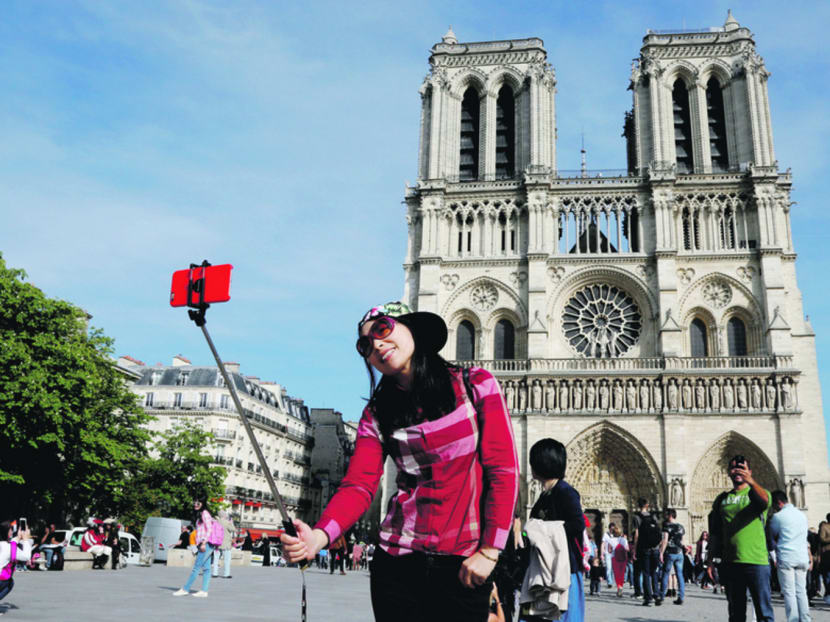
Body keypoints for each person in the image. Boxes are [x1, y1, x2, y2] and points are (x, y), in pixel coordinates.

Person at [281, 301, 519, 622]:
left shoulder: (475, 385)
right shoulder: (377, 414)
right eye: (365, 345)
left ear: (411, 329)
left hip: (463, 561)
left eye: (382, 330)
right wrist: (320, 536)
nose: (376, 345)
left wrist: (491, 551)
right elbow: (359, 485)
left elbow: (502, 470)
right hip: (396, 565)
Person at [521, 437, 585, 622]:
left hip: (563, 570)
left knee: (562, 615)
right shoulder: (545, 495)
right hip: (542, 567)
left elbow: (577, 524)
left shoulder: (566, 492)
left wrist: (539, 530)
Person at [707, 454, 774, 622]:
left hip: (756, 561)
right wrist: (709, 560)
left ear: (750, 471)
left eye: (742, 468)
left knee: (764, 612)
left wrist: (750, 481)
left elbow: (765, 502)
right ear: (728, 472)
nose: (737, 471)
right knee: (736, 613)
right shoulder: (722, 499)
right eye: (733, 468)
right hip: (731, 562)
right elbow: (715, 532)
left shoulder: (758, 494)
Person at [769, 489, 811, 622]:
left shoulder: (778, 517)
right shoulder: (802, 515)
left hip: (787, 557)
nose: (774, 509)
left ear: (779, 503)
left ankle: (793, 620)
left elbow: (772, 535)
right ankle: (805, 619)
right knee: (801, 591)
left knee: (789, 592)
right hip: (802, 557)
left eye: (774, 506)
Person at [173, 497, 216, 598]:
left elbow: (209, 529)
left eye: (198, 502)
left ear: (203, 503)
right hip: (205, 543)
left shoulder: (204, 513)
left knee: (196, 568)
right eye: (195, 502)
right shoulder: (201, 514)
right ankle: (204, 591)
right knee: (206, 569)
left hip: (206, 543)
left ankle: (185, 589)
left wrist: (204, 543)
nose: (196, 504)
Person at [632, 498, 662, 606]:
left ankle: (648, 598)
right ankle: (657, 595)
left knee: (645, 572)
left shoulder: (636, 517)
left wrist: (634, 550)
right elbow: (659, 532)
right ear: (647, 505)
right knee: (654, 572)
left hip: (643, 549)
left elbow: (636, 535)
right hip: (655, 549)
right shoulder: (653, 516)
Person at [1, 520, 32, 608]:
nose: (12, 532)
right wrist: (26, 539)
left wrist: (18, 537)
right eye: (10, 530)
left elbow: (11, 544)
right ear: (8, 533)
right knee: (10, 582)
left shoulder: (5, 545)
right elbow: (26, 556)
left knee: (10, 582)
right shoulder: (10, 548)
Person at [658, 508, 685, 604]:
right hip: (680, 553)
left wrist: (661, 552)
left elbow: (665, 540)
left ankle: (661, 596)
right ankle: (681, 597)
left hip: (670, 553)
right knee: (680, 575)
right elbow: (681, 541)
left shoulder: (667, 526)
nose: (665, 517)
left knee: (666, 573)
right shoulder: (681, 527)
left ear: (670, 515)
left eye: (666, 515)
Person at [212, 509, 235, 579]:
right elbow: (233, 529)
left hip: (217, 543)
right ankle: (226, 574)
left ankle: (215, 573)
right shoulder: (227, 522)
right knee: (227, 559)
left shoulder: (216, 522)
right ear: (224, 515)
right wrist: (231, 523)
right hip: (225, 544)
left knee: (216, 559)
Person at [609, 523, 628, 597]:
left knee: (616, 574)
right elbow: (627, 549)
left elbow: (609, 550)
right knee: (622, 573)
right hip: (623, 558)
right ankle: (621, 587)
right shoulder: (624, 539)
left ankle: (619, 587)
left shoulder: (611, 540)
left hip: (615, 558)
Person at [820, 513, 830, 604]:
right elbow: (822, 539)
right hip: (827, 555)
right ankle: (828, 593)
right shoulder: (824, 527)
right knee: (827, 576)